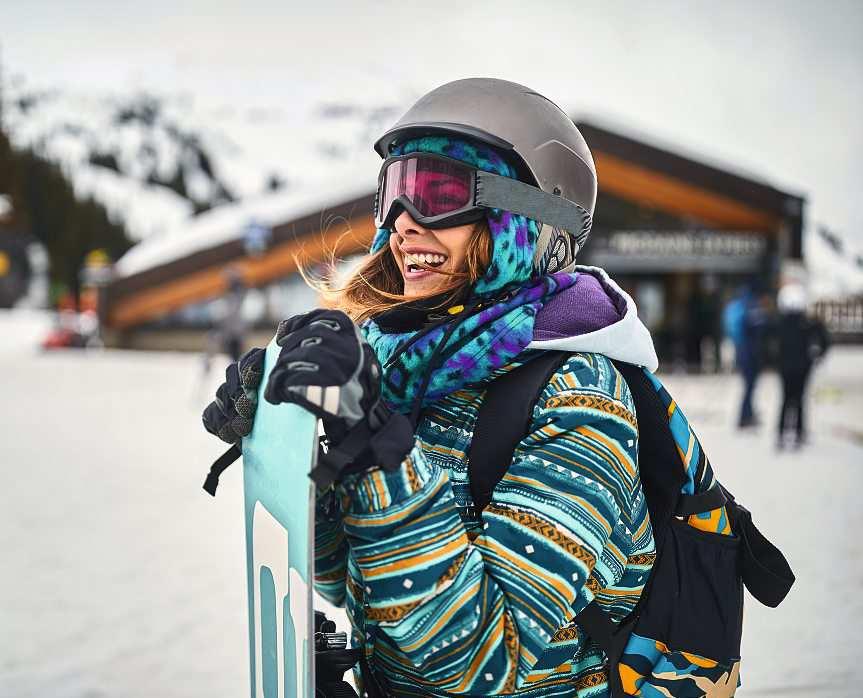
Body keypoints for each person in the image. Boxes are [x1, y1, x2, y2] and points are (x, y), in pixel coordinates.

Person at [203, 78, 661, 696]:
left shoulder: (583, 393)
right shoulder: (413, 364)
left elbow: (484, 659)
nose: (402, 225)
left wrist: (372, 439)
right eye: (393, 193)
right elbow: (349, 580)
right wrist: (292, 439)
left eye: (439, 193)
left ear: (527, 221)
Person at [773, 283, 830, 448]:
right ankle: (797, 432)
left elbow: (766, 341)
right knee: (798, 399)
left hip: (786, 366)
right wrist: (817, 356)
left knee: (786, 398)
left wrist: (772, 359)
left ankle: (783, 433)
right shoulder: (808, 323)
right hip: (802, 367)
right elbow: (824, 340)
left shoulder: (780, 322)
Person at [722, 282, 769, 428]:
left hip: (741, 351)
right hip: (749, 354)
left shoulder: (738, 306)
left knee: (748, 387)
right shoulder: (751, 308)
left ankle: (747, 415)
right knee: (750, 387)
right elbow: (758, 330)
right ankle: (744, 417)